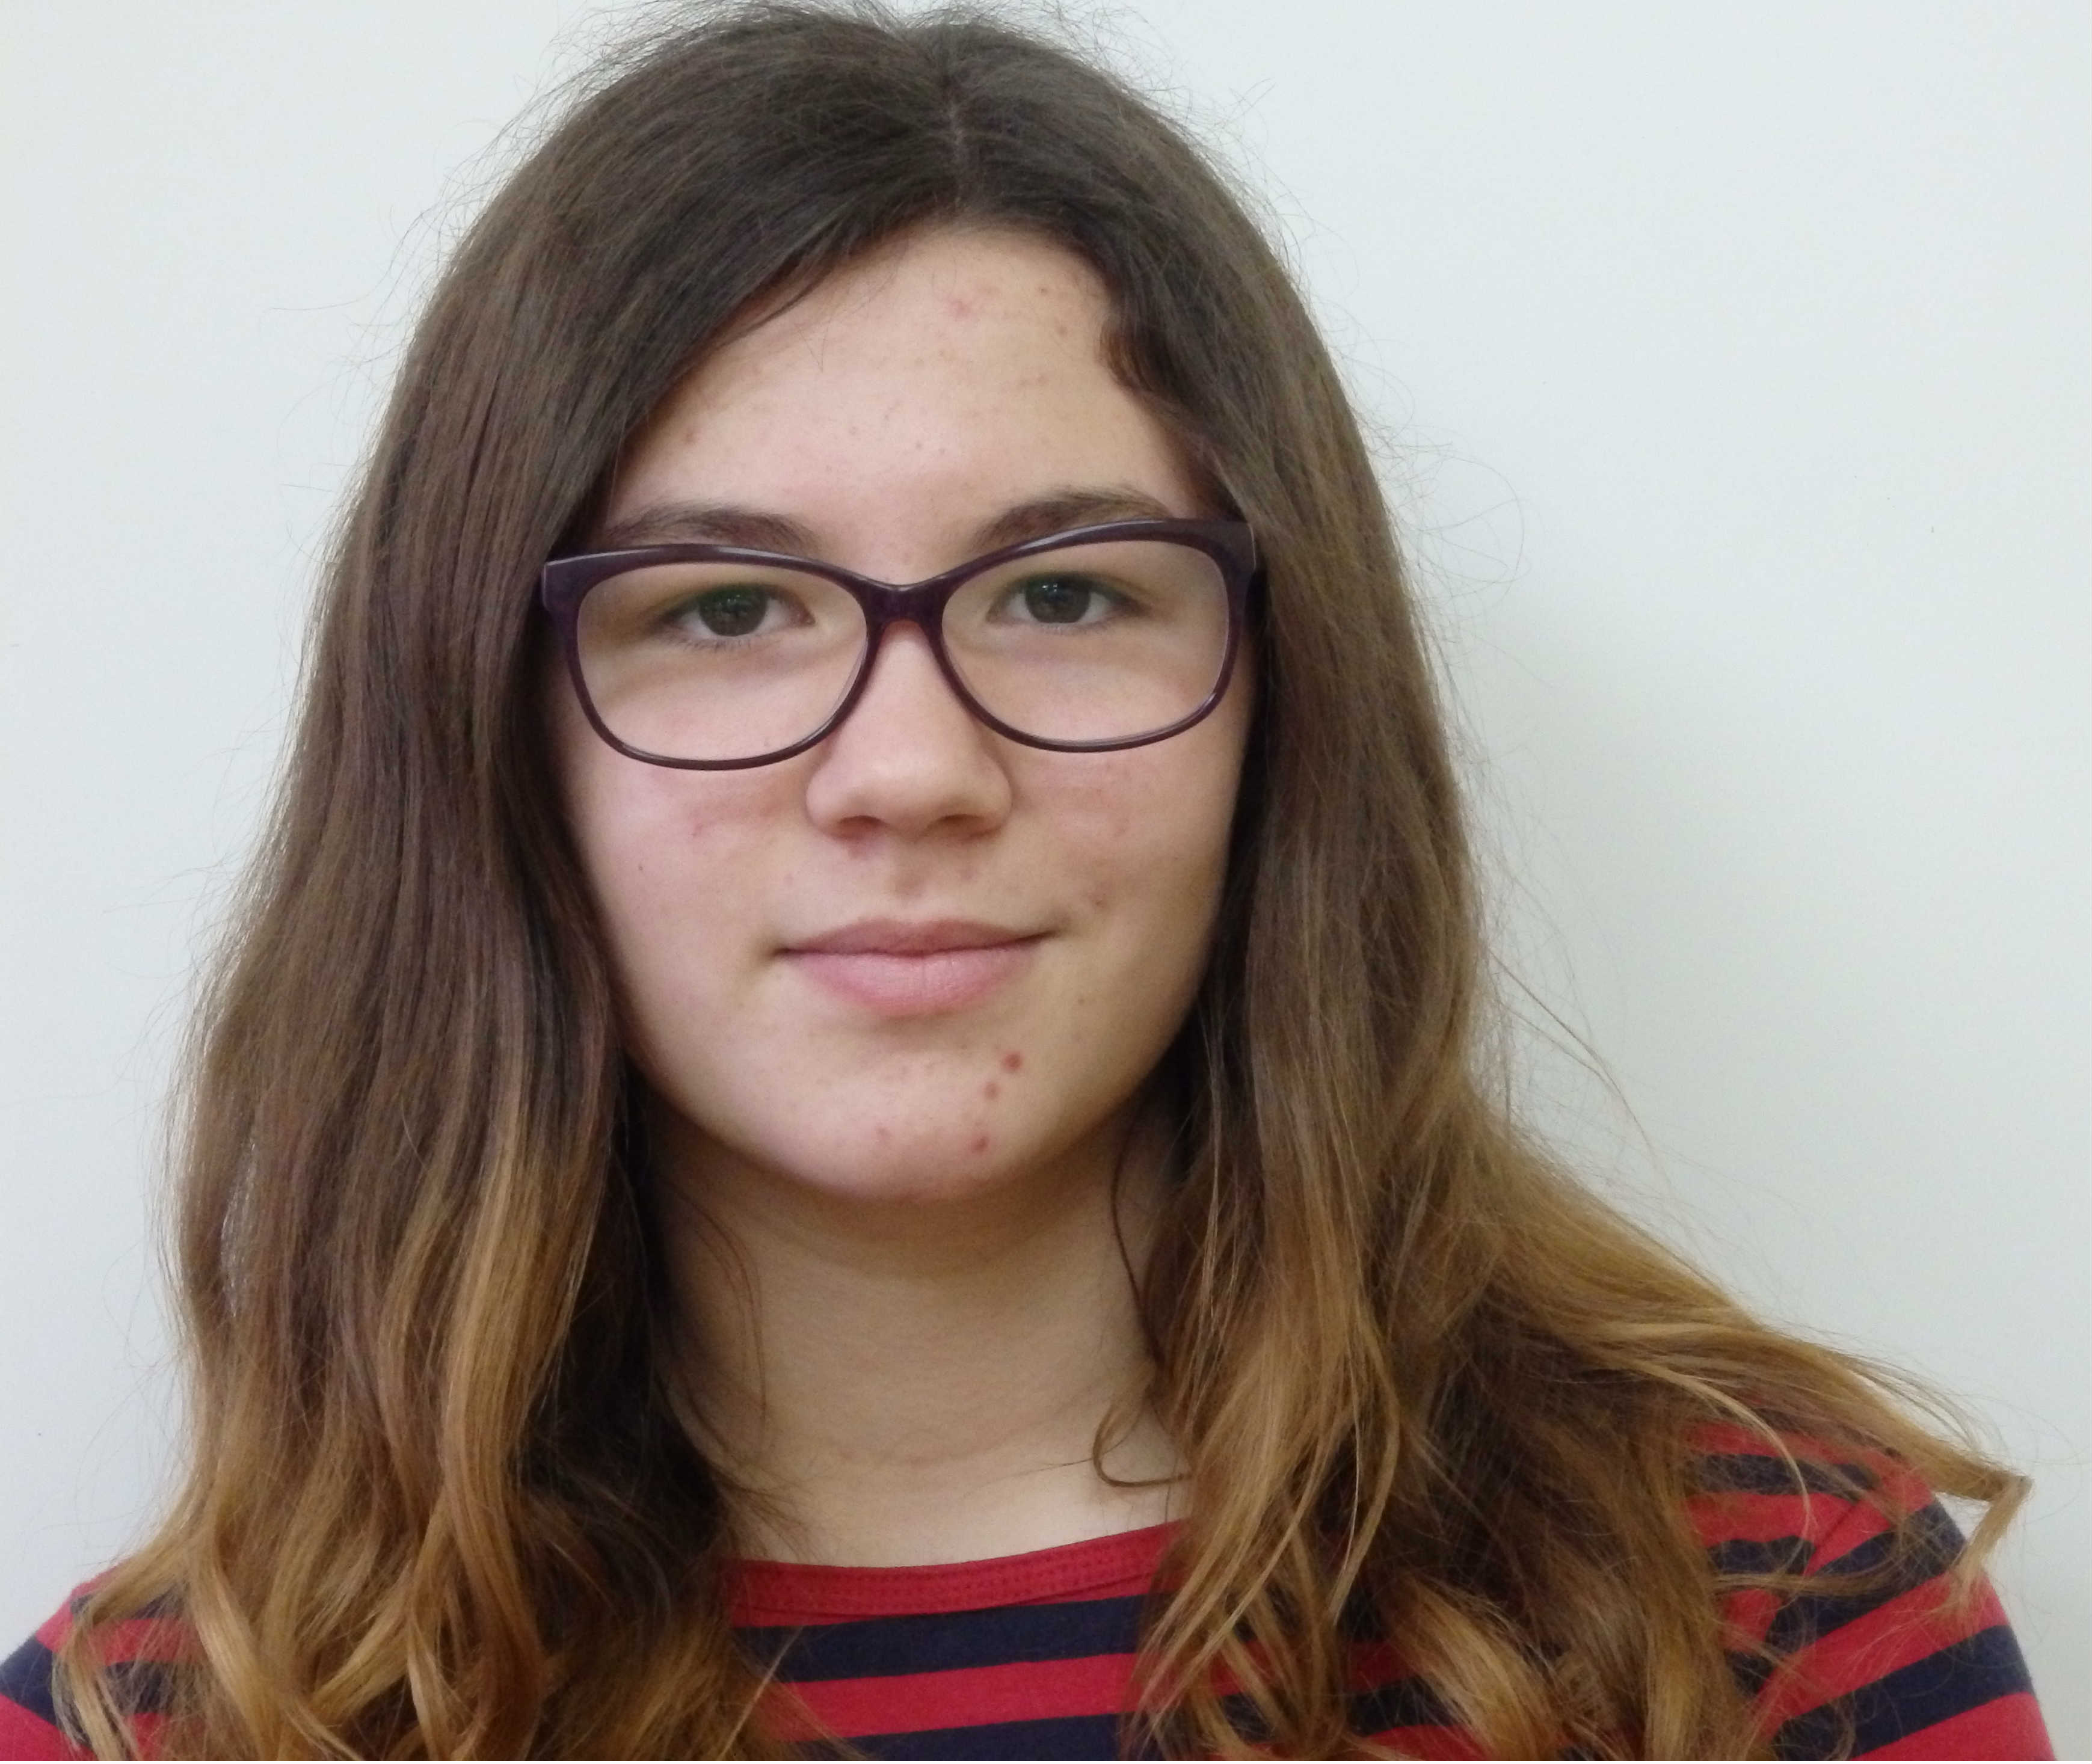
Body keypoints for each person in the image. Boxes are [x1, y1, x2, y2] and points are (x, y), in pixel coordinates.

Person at [0, 3, 2055, 1758]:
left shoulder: (1758, 1620)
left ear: (1287, 710)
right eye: (724, 609)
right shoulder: (163, 1726)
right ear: (491, 738)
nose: (909, 771)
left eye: (1065, 593)